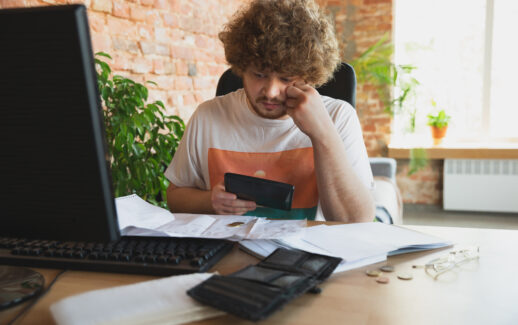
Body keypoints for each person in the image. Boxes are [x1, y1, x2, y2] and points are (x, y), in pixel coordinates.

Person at [164, 0, 375, 223]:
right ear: (242, 68)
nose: (271, 92)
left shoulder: (338, 117)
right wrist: (210, 201)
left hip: (307, 254)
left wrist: (322, 132)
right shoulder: (207, 117)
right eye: (259, 75)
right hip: (227, 253)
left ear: (308, 76)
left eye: (286, 78)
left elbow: (357, 221)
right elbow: (175, 197)